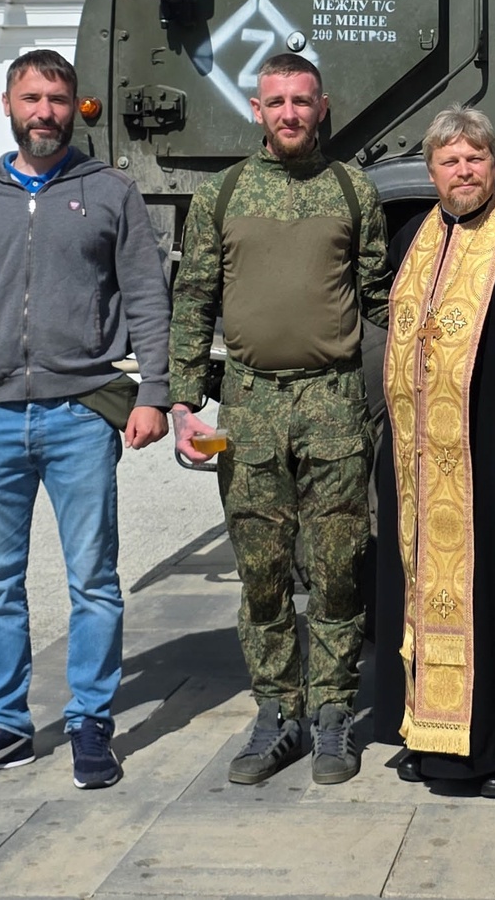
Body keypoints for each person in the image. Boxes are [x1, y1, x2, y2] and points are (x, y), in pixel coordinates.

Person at [0, 48, 172, 792]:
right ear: (8, 104)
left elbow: (146, 297)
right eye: (31, 98)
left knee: (93, 579)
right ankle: (3, 725)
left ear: (74, 106)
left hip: (80, 415)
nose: (44, 113)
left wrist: (153, 392)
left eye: (57, 99)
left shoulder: (110, 192)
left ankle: (91, 721)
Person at [168, 52, 389, 785]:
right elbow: (194, 298)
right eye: (276, 101)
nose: (290, 113)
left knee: (337, 570)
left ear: (322, 107)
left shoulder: (353, 190)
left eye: (301, 100)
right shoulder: (223, 194)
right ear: (256, 110)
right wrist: (182, 403)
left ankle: (333, 714)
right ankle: (277, 714)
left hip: (333, 404)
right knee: (262, 574)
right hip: (250, 405)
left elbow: (382, 298)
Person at [369, 107, 495, 798]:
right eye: (450, 161)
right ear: (431, 172)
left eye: (476, 158)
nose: (464, 171)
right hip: (421, 454)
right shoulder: (414, 236)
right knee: (420, 588)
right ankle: (431, 737)